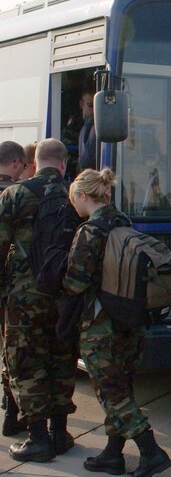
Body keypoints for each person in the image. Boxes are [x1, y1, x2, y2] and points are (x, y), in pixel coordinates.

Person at [63, 168, 171, 476]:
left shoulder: (89, 231)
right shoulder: (122, 221)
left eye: (75, 199)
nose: (75, 205)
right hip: (128, 318)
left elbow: (75, 283)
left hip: (100, 326)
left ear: (83, 196)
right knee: (121, 386)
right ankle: (113, 454)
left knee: (112, 392)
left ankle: (151, 451)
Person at [0, 139, 78, 463]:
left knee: (27, 362)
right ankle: (60, 432)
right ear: (63, 163)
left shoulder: (15, 195)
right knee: (62, 358)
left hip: (25, 297)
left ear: (34, 160)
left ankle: (37, 437)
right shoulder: (78, 195)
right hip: (66, 295)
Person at [0, 141, 27, 438]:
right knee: (11, 352)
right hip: (11, 289)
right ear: (17, 163)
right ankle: (11, 411)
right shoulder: (14, 196)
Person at [78, 88, 98, 172]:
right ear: (81, 104)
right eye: (91, 105)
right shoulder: (88, 125)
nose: (94, 111)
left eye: (97, 106)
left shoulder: (92, 125)